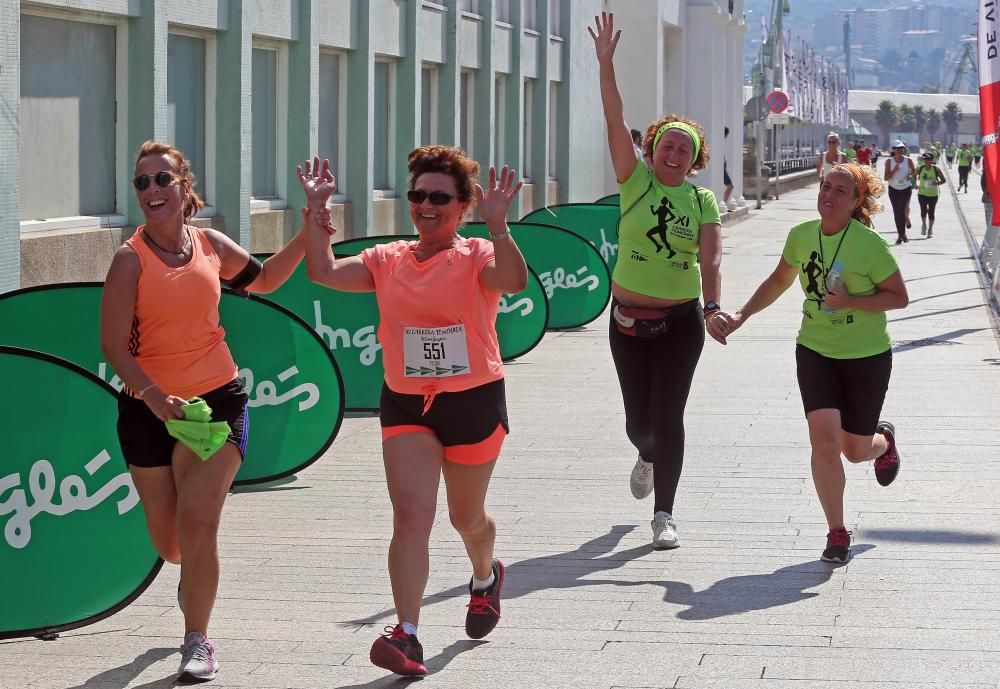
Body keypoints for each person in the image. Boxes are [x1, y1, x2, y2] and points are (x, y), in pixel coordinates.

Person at [298, 147, 528, 677]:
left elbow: (512, 282)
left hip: (473, 401)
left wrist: (500, 228)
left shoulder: (475, 256)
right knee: (411, 515)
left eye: (439, 197)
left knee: (465, 518)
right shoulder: (388, 259)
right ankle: (408, 633)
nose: (426, 205)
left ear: (463, 205)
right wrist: (316, 212)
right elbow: (322, 271)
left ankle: (485, 575)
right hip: (406, 403)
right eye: (418, 195)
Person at [100, 141, 310, 682]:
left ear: (184, 188)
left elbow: (264, 281)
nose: (151, 191)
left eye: (161, 179)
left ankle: (197, 638)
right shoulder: (130, 260)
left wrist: (310, 233)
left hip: (216, 403)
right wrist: (153, 396)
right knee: (171, 544)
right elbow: (114, 347)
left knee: (199, 524)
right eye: (141, 182)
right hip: (149, 412)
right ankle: (190, 572)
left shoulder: (210, 245)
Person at [713, 163, 908, 563]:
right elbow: (778, 280)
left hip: (866, 356)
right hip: (815, 349)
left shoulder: (870, 245)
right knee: (824, 440)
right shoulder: (801, 235)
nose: (828, 195)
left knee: (854, 451)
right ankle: (837, 532)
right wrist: (740, 316)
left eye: (840, 191)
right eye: (825, 186)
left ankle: (883, 441)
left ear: (855, 202)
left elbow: (898, 297)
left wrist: (852, 301)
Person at [589, 12, 724, 549]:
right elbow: (613, 114)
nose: (673, 154)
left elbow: (711, 258)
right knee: (638, 426)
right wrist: (606, 64)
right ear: (652, 149)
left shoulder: (701, 199)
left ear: (694, 161)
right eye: (667, 145)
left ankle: (664, 513)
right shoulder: (634, 181)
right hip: (626, 321)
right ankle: (644, 455)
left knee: (670, 416)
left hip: (680, 322)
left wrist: (713, 306)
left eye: (684, 150)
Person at [883, 140, 916, 244]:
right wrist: (894, 170)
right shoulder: (889, 161)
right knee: (897, 212)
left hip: (906, 188)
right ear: (893, 150)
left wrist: (910, 176)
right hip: (893, 189)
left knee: (901, 211)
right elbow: (886, 177)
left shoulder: (908, 160)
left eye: (902, 148)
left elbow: (915, 171)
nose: (900, 150)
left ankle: (901, 235)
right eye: (898, 148)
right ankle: (901, 235)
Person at [916, 152, 946, 238]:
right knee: (923, 210)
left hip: (933, 194)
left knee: (931, 212)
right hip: (922, 193)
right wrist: (915, 185)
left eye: (928, 159)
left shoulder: (936, 169)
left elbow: (944, 180)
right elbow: (913, 176)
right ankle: (924, 225)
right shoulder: (920, 168)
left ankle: (930, 229)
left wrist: (937, 183)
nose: (926, 161)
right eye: (925, 159)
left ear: (932, 160)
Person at [723, 126, 735, 212]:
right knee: (730, 186)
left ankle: (723, 203)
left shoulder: (721, 142)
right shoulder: (720, 141)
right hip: (721, 168)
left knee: (730, 186)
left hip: (723, 166)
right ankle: (723, 203)